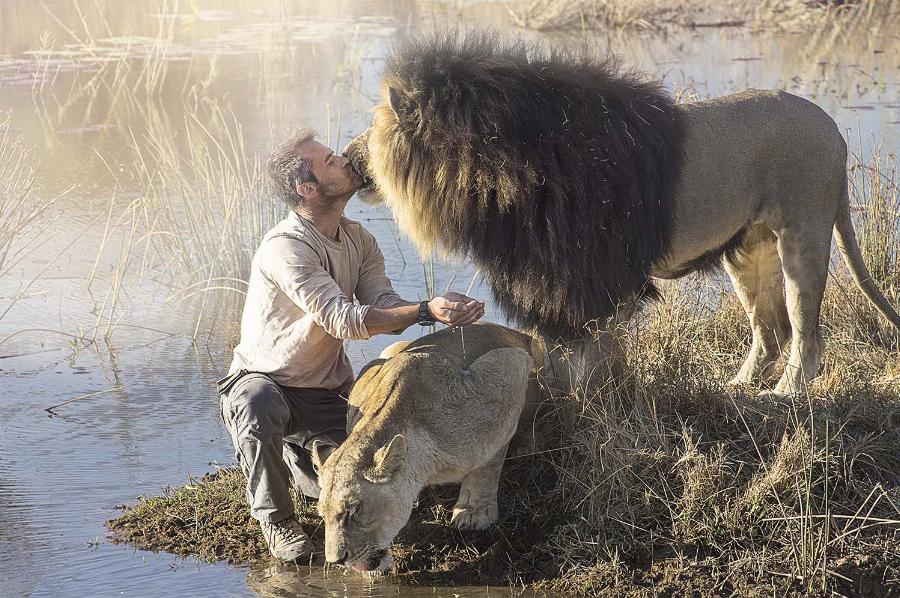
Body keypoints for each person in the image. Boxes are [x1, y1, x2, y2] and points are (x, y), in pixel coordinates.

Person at [217, 128, 485, 563]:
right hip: (267, 383)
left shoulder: (359, 239)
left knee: (356, 479)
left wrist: (435, 308)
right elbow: (343, 319)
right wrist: (424, 311)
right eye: (329, 161)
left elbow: (383, 304)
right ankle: (277, 523)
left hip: (327, 391)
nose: (344, 159)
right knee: (257, 402)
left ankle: (293, 460)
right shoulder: (285, 248)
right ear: (308, 189)